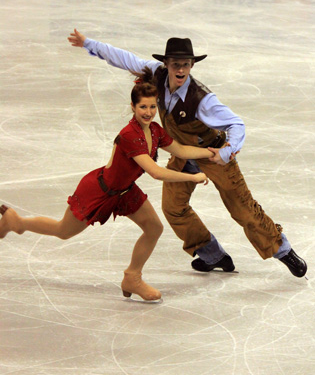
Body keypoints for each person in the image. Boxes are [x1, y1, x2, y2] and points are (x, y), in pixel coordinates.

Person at [66, 29, 307, 279]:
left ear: (191, 65)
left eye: (185, 64)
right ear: (166, 64)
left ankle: (283, 250)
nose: (180, 70)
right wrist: (88, 44)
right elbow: (125, 59)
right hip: (182, 153)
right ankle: (213, 255)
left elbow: (237, 124)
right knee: (173, 207)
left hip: (211, 152)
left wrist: (225, 154)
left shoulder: (202, 99)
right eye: (175, 64)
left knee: (242, 210)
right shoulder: (156, 75)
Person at [0, 70, 223, 301]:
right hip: (99, 191)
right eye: (143, 107)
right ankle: (17, 222)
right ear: (133, 107)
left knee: (154, 228)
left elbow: (181, 150)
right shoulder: (130, 135)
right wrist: (193, 177)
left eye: (152, 107)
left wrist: (210, 152)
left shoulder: (155, 131)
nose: (148, 113)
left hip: (125, 191)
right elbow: (155, 172)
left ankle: (132, 277)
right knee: (63, 231)